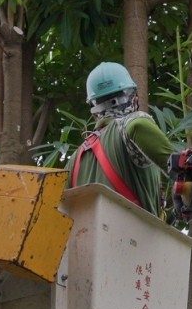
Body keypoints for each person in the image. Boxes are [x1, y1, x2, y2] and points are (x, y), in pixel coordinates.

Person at [69, 62, 174, 216]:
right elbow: (138, 124)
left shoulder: (74, 159)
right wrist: (189, 170)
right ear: (133, 97)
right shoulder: (130, 124)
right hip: (131, 237)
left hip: (86, 237)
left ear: (94, 110)